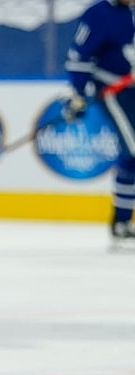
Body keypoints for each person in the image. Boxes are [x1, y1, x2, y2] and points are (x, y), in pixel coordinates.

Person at [63, 0, 135, 246]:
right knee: (134, 151)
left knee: (131, 156)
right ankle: (121, 223)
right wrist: (78, 93)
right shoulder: (99, 14)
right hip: (116, 91)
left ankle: (123, 223)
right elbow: (79, 55)